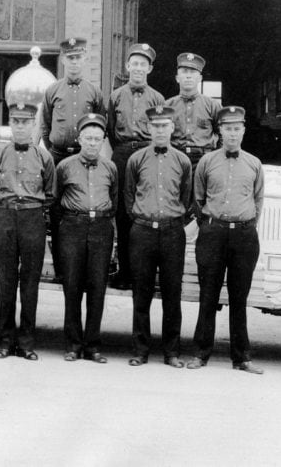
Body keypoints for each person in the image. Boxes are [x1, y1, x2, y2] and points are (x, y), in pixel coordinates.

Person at [187, 105, 265, 373]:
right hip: (213, 233)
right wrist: (208, 224)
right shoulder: (207, 162)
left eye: (237, 128)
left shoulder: (254, 164)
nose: (232, 134)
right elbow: (198, 197)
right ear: (220, 132)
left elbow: (258, 200)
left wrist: (246, 225)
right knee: (208, 295)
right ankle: (200, 353)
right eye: (227, 129)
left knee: (239, 297)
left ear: (243, 131)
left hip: (244, 235)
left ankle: (241, 357)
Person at [124, 104, 193, 367]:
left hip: (172, 232)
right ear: (149, 129)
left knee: (172, 293)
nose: (160, 130)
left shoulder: (183, 161)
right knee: (141, 293)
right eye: (155, 126)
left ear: (172, 128)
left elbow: (186, 199)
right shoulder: (136, 159)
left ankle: (171, 352)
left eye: (165, 126)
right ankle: (140, 350)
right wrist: (143, 218)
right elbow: (129, 198)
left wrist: (173, 221)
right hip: (142, 231)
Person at [0, 102, 56, 361]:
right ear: (10, 124)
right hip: (5, 218)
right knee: (6, 283)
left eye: (25, 122)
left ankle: (26, 343)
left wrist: (31, 209)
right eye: (15, 121)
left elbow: (50, 193)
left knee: (30, 284)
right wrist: (6, 210)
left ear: (33, 126)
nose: (20, 126)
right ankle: (6, 342)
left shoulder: (44, 157)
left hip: (32, 219)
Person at [41, 36, 107, 280]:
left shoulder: (94, 92)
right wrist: (53, 148)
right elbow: (46, 125)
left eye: (78, 58)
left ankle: (84, 271)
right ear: (63, 60)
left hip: (85, 158)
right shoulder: (53, 91)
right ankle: (61, 270)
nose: (74, 63)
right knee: (58, 214)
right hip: (59, 157)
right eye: (70, 58)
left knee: (81, 211)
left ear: (85, 59)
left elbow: (101, 126)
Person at [55, 112, 118, 364]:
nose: (93, 143)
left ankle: (92, 346)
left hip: (101, 227)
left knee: (96, 287)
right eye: (88, 138)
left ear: (103, 140)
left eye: (97, 139)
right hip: (73, 226)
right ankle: (72, 344)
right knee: (72, 286)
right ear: (80, 138)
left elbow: (114, 201)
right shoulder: (65, 166)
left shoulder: (111, 168)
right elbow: (56, 201)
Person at [106, 43, 164, 290]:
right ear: (128, 66)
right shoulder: (116, 96)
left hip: (147, 154)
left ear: (150, 68)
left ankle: (144, 273)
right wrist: (121, 151)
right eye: (135, 63)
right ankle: (124, 272)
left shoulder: (157, 98)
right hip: (122, 154)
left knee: (145, 210)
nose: (138, 68)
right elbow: (109, 129)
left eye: (143, 64)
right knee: (123, 212)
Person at [167, 52, 221, 171]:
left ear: (200, 78)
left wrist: (215, 157)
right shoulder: (168, 106)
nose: (188, 76)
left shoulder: (212, 105)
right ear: (177, 78)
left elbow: (222, 133)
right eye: (184, 72)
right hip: (175, 160)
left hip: (204, 160)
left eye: (192, 72)